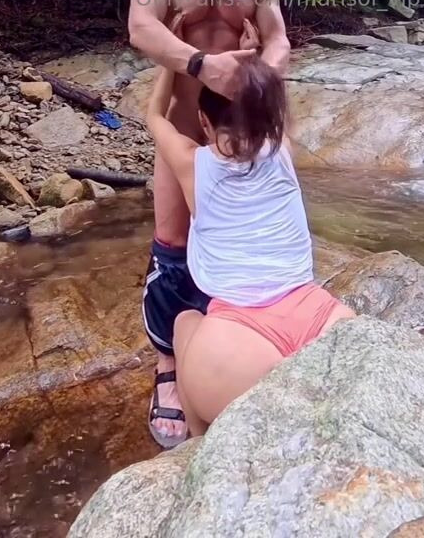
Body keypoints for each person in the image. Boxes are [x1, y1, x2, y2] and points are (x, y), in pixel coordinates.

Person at [125, 0, 292, 448]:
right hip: (182, 125)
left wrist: (257, 76)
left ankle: (229, 343)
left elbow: (279, 41)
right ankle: (169, 366)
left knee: (241, 240)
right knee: (173, 243)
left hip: (241, 132)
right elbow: (141, 28)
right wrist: (202, 64)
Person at [142, 26, 354, 436]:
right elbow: (270, 98)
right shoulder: (282, 149)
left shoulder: (191, 163)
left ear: (204, 122)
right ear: (268, 118)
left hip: (234, 344)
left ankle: (198, 436)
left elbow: (155, 117)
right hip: (319, 318)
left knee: (185, 319)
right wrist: (251, 56)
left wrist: (173, 62)